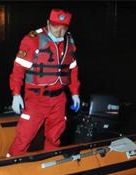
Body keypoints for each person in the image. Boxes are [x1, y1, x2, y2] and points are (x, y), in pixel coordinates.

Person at [7, 8, 81, 157]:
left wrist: (75, 93)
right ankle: (11, 162)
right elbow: (18, 70)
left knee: (55, 135)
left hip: (59, 98)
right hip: (36, 98)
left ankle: (50, 161)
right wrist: (16, 94)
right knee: (25, 136)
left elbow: (73, 69)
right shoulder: (33, 39)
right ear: (48, 23)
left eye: (63, 27)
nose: (59, 31)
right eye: (55, 26)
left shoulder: (69, 41)